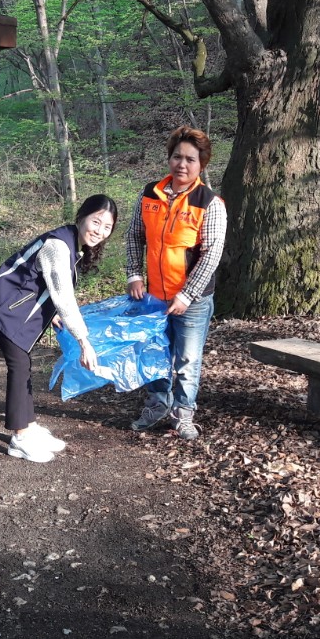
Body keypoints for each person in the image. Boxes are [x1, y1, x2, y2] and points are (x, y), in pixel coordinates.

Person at [0, 194, 119, 463]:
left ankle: (28, 426)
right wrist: (84, 342)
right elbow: (64, 297)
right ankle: (20, 437)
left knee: (23, 364)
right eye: (96, 222)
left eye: (107, 227)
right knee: (19, 366)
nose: (99, 231)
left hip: (17, 308)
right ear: (81, 217)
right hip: (4, 306)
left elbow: (45, 284)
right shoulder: (58, 246)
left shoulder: (72, 244)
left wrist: (52, 315)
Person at [125, 125, 226, 441]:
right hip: (154, 296)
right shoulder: (149, 194)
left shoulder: (209, 203)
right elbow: (134, 236)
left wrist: (187, 294)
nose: (182, 164)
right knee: (155, 355)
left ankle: (183, 414)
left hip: (192, 302)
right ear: (169, 158)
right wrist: (134, 274)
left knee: (186, 361)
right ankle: (157, 405)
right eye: (177, 157)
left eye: (190, 159)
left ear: (201, 164)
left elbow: (211, 255)